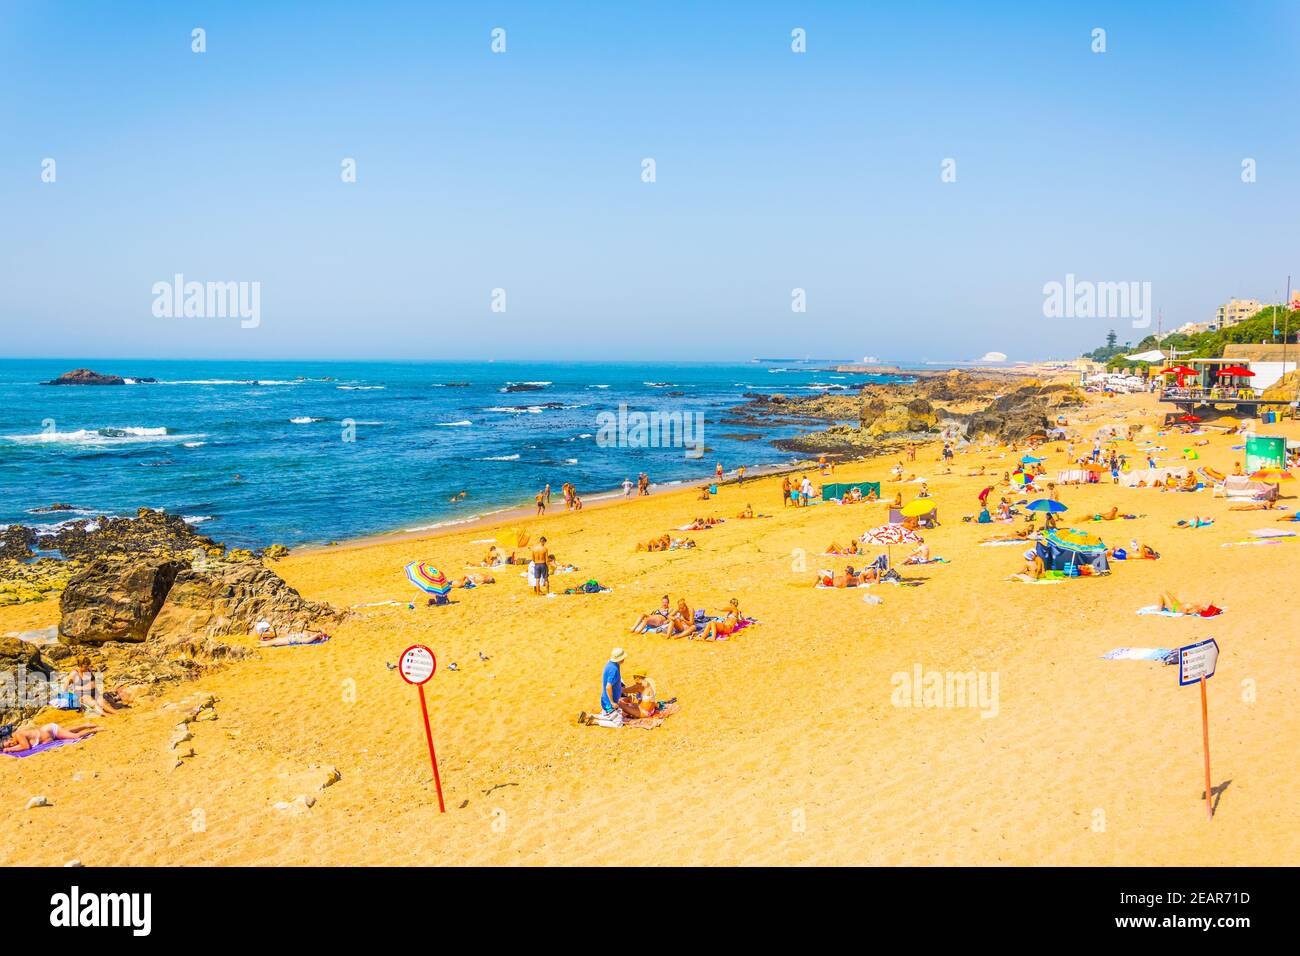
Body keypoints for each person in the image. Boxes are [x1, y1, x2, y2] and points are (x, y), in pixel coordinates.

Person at [2, 720, 104, 753]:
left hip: (50, 730)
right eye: (10, 745)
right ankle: (86, 725)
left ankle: (93, 730)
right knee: (67, 732)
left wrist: (9, 749)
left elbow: (26, 747)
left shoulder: (18, 735)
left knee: (75, 736)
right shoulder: (17, 738)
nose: (12, 744)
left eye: (10, 743)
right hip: (50, 733)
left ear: (9, 738)